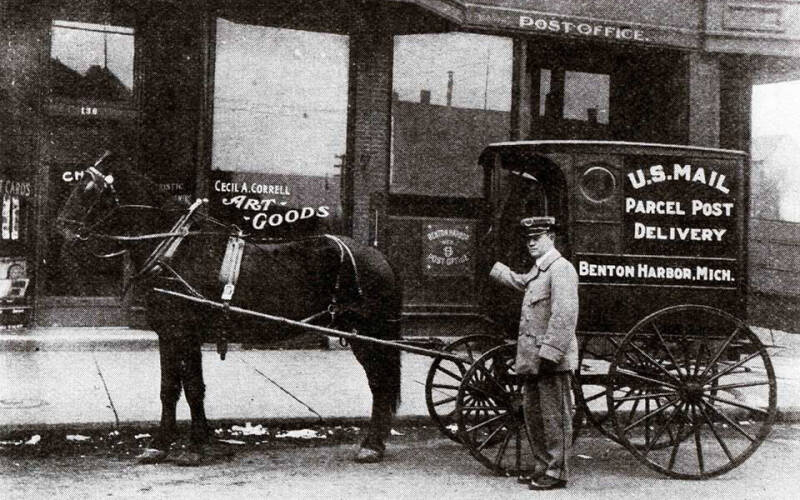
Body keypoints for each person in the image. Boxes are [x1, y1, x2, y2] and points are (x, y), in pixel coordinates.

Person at [489, 216, 579, 490]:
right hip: (532, 359)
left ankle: (557, 472)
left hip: (550, 359)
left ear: (551, 238)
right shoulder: (539, 271)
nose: (531, 244)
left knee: (555, 419)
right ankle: (542, 467)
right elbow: (520, 282)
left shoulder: (561, 269)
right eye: (528, 239)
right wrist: (494, 269)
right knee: (534, 417)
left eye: (536, 239)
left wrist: (550, 353)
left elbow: (565, 315)